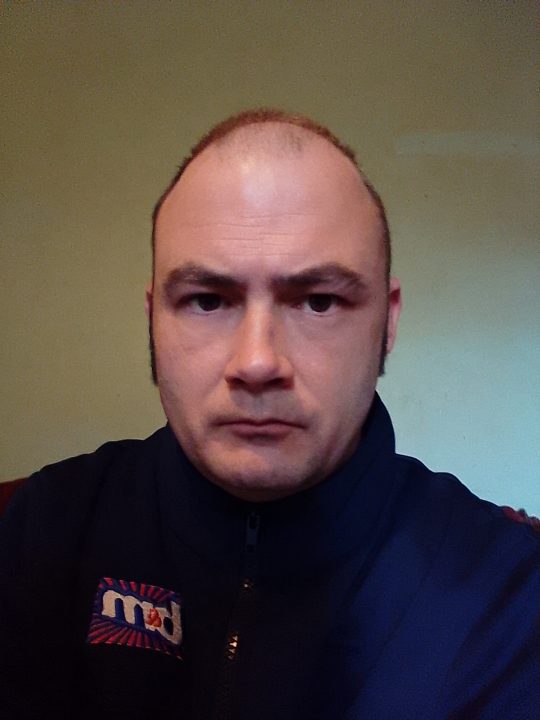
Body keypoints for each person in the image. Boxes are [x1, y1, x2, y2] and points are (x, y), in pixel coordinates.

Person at [0, 109, 538, 720]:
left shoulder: (507, 597)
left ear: (387, 323)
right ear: (152, 319)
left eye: (319, 301)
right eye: (207, 300)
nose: (257, 362)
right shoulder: (43, 531)